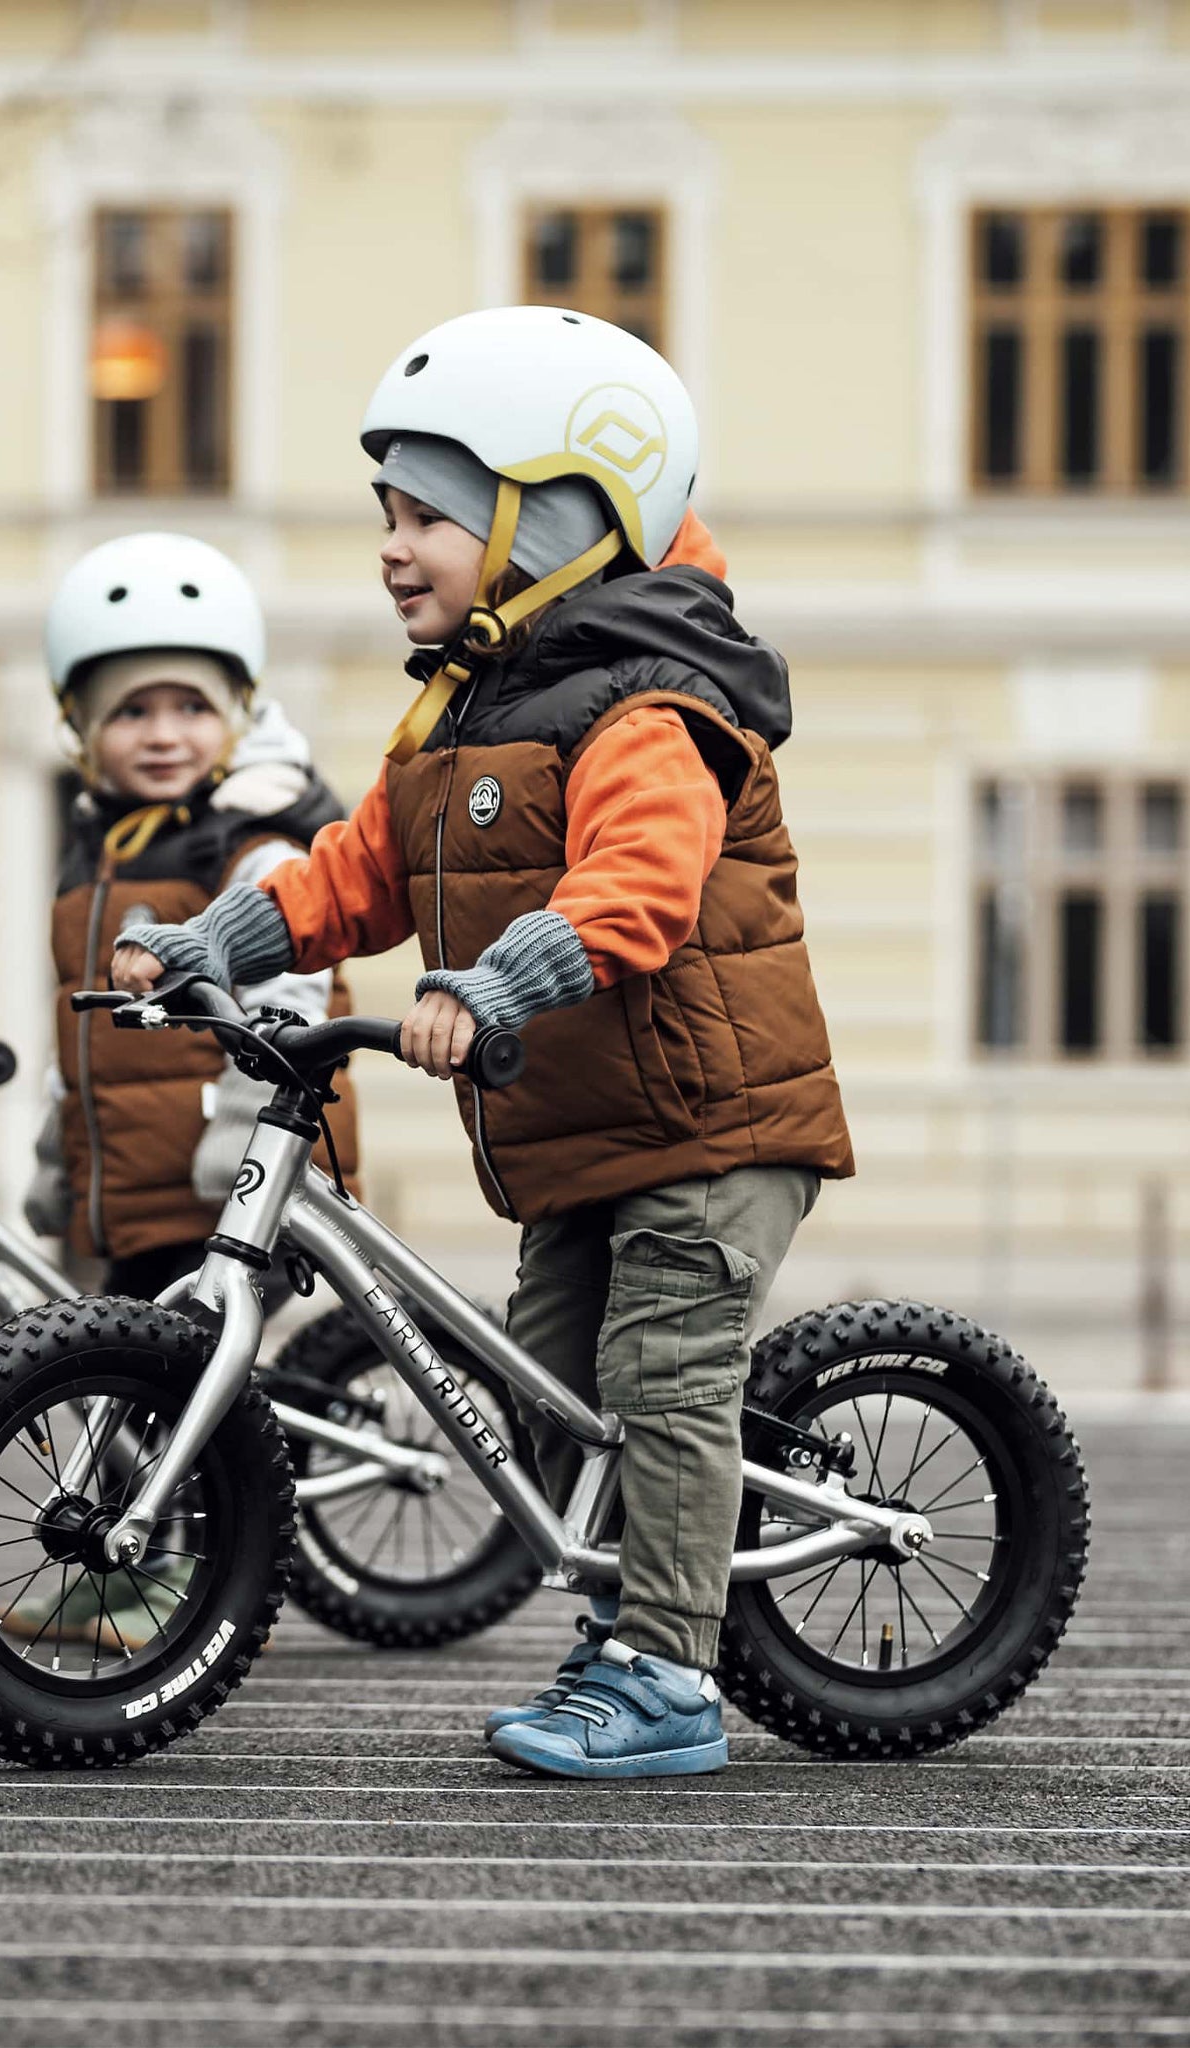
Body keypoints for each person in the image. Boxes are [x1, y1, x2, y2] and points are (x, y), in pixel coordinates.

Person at [108, 307, 854, 1777]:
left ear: (563, 519)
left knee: (659, 1380)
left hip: (709, 1127)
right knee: (549, 1387)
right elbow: (352, 875)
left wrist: (496, 985)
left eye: (428, 514)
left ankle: (661, 1679)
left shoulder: (652, 703)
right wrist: (213, 947)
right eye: (384, 511)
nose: (391, 546)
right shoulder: (460, 715)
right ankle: (631, 1616)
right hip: (583, 1134)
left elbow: (633, 891)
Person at [14, 530, 361, 1650]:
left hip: (216, 1174)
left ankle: (174, 1578)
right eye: (130, 712)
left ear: (237, 712)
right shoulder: (99, 843)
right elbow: (90, 1034)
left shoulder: (252, 837)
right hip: (128, 1176)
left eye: (189, 708)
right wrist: (53, 1153)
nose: (162, 734)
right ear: (81, 730)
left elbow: (292, 986)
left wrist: (234, 1130)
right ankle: (114, 1569)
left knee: (179, 1393)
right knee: (109, 1388)